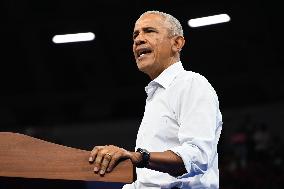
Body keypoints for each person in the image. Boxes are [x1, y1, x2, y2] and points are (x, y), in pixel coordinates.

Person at [88, 10, 223, 189]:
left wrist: (138, 156)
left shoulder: (191, 83)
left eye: (149, 31)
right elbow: (151, 181)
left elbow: (198, 157)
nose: (138, 39)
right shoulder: (156, 95)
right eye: (135, 35)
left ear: (177, 43)